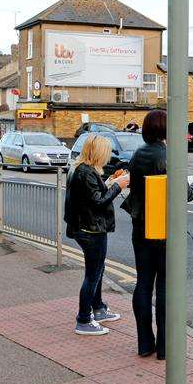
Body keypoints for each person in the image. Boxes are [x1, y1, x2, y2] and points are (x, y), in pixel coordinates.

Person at [125, 110, 193, 359]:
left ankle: (145, 343)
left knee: (143, 283)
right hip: (164, 229)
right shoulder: (169, 156)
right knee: (165, 286)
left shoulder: (137, 155)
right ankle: (166, 348)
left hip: (141, 227)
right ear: (166, 130)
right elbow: (179, 195)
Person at [65, 135, 129, 336]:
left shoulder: (83, 169)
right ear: (98, 152)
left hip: (87, 228)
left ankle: (99, 308)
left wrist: (110, 181)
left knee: (97, 271)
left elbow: (92, 193)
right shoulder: (85, 172)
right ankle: (83, 319)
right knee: (93, 274)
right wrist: (119, 186)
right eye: (107, 151)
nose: (109, 156)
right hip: (90, 230)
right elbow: (99, 201)